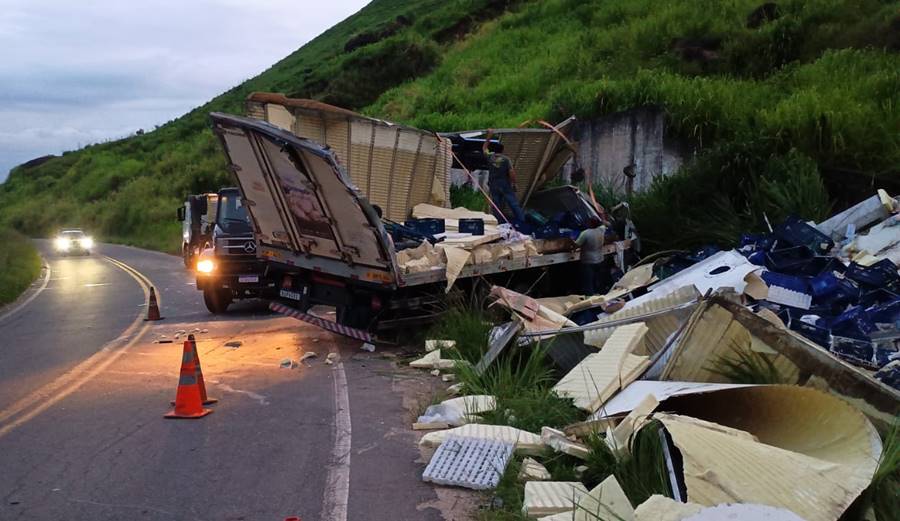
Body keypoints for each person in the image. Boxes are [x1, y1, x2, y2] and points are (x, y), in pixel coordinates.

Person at [483, 129, 526, 224]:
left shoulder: (490, 157)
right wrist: (514, 183)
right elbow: (511, 173)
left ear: (494, 150)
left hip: (493, 184)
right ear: (503, 150)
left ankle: (499, 223)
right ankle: (521, 222)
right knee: (513, 203)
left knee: (497, 206)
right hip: (504, 184)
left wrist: (489, 136)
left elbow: (484, 148)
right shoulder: (506, 159)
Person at [575, 218, 607, 295]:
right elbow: (605, 224)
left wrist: (570, 242)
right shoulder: (601, 230)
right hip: (599, 259)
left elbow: (576, 245)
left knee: (588, 282)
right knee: (598, 280)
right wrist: (602, 216)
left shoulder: (585, 233)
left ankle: (591, 299)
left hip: (588, 261)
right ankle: (600, 295)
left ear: (590, 224)